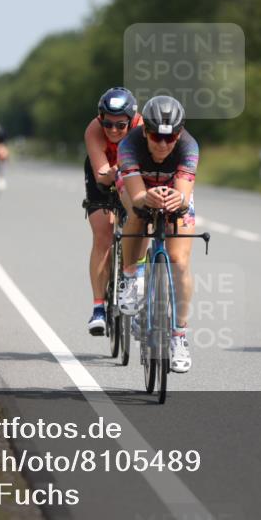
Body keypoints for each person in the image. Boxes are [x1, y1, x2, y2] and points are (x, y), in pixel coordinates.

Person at [116, 96, 199, 373]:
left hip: (174, 191)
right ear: (145, 131)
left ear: (179, 134)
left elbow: (184, 197)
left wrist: (178, 202)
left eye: (171, 137)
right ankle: (131, 278)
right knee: (137, 214)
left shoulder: (189, 147)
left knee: (180, 261)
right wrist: (145, 198)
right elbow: (137, 194)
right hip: (140, 187)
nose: (163, 145)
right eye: (155, 137)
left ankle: (179, 336)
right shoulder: (129, 145)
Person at [82, 87, 142, 336]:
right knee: (103, 235)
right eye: (108, 123)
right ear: (100, 118)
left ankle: (134, 281)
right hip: (103, 174)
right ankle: (98, 308)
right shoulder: (94, 130)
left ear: (132, 120)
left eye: (120, 125)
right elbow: (103, 176)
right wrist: (115, 171)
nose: (114, 130)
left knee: (142, 221)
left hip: (133, 173)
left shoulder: (142, 129)